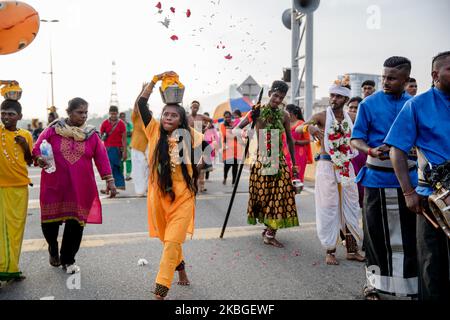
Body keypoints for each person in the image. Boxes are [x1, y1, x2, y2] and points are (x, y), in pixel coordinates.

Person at [351, 56, 418, 300]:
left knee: (409, 237)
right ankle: (374, 285)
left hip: (408, 182)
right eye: (383, 77)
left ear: (406, 79)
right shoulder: (368, 104)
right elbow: (355, 139)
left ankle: (409, 287)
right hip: (375, 180)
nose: (386, 82)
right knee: (375, 237)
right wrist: (369, 150)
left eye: (392, 78)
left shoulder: (415, 104)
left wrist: (414, 149)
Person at [386, 51, 450, 300]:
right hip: (431, 200)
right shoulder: (417, 105)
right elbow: (397, 150)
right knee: (433, 266)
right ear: (435, 75)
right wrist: (408, 192)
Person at [137, 72, 204, 300]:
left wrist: (199, 161)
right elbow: (141, 104)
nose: (168, 117)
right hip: (158, 197)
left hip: (183, 197)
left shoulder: (191, 136)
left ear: (181, 120)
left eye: (174, 115)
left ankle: (160, 291)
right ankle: (182, 270)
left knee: (172, 242)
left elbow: (204, 156)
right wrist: (154, 82)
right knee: (169, 241)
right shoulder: (153, 130)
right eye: (165, 113)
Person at [33, 98, 117, 274]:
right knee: (49, 224)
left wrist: (110, 181)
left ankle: (68, 259)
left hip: (80, 188)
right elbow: (37, 149)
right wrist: (40, 158)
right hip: (54, 185)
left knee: (76, 226)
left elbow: (102, 158)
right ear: (69, 112)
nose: (84, 116)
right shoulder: (52, 130)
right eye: (80, 112)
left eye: (86, 112)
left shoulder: (91, 134)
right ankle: (53, 247)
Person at [297, 78, 365, 265]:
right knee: (329, 207)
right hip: (327, 166)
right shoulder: (321, 116)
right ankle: (330, 251)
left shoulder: (351, 118)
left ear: (345, 99)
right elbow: (299, 126)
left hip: (346, 167)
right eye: (332, 95)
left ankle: (352, 249)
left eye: (338, 96)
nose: (333, 98)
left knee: (350, 207)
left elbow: (360, 135)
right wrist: (309, 127)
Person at [235, 80, 299, 248]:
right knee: (265, 197)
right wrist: (246, 134)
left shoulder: (285, 115)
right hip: (262, 159)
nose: (277, 100)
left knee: (282, 195)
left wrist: (293, 164)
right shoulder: (256, 111)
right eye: (276, 95)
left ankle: (270, 233)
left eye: (281, 97)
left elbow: (290, 140)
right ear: (270, 93)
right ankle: (268, 228)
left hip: (280, 159)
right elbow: (236, 129)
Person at [0, 99, 33, 282]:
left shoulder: (26, 135)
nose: (6, 117)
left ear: (19, 116)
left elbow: (30, 160)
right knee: (2, 229)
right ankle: (2, 268)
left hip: (20, 187)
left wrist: (25, 146)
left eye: (11, 114)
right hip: (1, 187)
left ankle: (12, 268)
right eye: (3, 113)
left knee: (16, 229)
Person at [100, 106, 127, 191]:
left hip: (117, 149)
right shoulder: (104, 123)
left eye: (115, 113)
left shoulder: (121, 124)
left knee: (115, 167)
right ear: (109, 113)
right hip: (107, 149)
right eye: (112, 113)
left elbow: (124, 139)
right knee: (108, 168)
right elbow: (100, 136)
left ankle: (115, 186)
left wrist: (125, 151)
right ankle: (109, 187)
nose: (113, 115)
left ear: (117, 113)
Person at [131, 84, 150, 197]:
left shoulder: (150, 119)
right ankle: (140, 191)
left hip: (148, 147)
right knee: (139, 171)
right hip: (137, 146)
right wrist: (143, 91)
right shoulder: (136, 117)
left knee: (148, 170)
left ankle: (148, 189)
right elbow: (136, 104)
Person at [285, 104, 312, 182]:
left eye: (288, 114)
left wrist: (296, 141)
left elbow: (307, 140)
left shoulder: (302, 124)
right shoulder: (284, 123)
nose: (287, 116)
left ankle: (294, 192)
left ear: (295, 114)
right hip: (286, 153)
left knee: (296, 177)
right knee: (286, 176)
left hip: (299, 154)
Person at [347, 97, 366, 208]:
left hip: (362, 161)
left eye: (356, 108)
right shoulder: (340, 123)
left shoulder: (366, 123)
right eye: (351, 107)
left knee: (362, 193)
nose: (353, 110)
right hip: (347, 161)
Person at [220, 111, 241, 185]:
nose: (228, 118)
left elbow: (239, 133)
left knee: (235, 166)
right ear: (224, 118)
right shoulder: (222, 125)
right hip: (228, 149)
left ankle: (234, 181)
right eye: (226, 117)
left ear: (231, 117)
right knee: (227, 166)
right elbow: (225, 135)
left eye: (229, 117)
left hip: (237, 148)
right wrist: (235, 134)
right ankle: (225, 177)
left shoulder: (235, 123)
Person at [119, 112, 133, 181]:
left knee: (128, 160)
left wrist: (124, 134)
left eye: (123, 116)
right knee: (120, 161)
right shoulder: (117, 125)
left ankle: (128, 175)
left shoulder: (129, 124)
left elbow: (132, 133)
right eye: (121, 116)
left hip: (128, 145)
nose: (122, 118)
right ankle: (121, 175)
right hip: (120, 145)